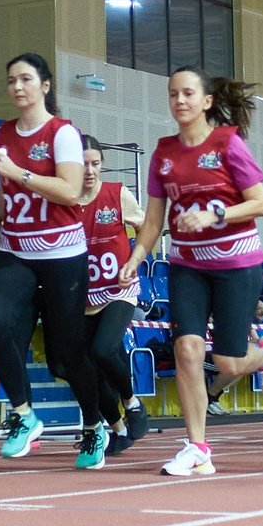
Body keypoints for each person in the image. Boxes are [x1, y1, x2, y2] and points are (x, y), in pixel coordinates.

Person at [143, 69, 263, 478]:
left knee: (227, 361)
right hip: (187, 265)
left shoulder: (227, 143)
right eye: (173, 94)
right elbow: (154, 220)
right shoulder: (163, 153)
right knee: (187, 349)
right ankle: (198, 446)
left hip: (236, 264)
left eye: (188, 93)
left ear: (206, 101)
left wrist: (213, 213)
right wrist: (136, 258)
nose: (179, 100)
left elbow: (260, 204)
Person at [0, 53, 99, 463]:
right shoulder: (3, 133)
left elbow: (69, 192)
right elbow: (6, 190)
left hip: (63, 252)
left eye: (26, 79)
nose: (17, 87)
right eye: (11, 80)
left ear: (45, 85)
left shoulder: (63, 133)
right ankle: (24, 415)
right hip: (16, 249)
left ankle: (94, 424)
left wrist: (18, 173)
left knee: (66, 354)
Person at [76, 139, 150, 457]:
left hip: (120, 291)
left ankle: (133, 403)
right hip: (82, 298)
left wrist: (135, 261)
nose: (90, 170)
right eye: (83, 164)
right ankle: (118, 430)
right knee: (91, 371)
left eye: (95, 163)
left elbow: (147, 228)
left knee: (103, 349)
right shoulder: (63, 200)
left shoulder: (118, 193)